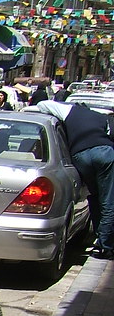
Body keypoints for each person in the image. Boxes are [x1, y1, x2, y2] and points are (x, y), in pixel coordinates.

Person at [38, 99, 114, 258]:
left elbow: (42, 104)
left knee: (95, 196)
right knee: (108, 200)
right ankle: (105, 245)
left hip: (81, 156)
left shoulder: (69, 111)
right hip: (104, 153)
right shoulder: (102, 118)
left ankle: (100, 237)